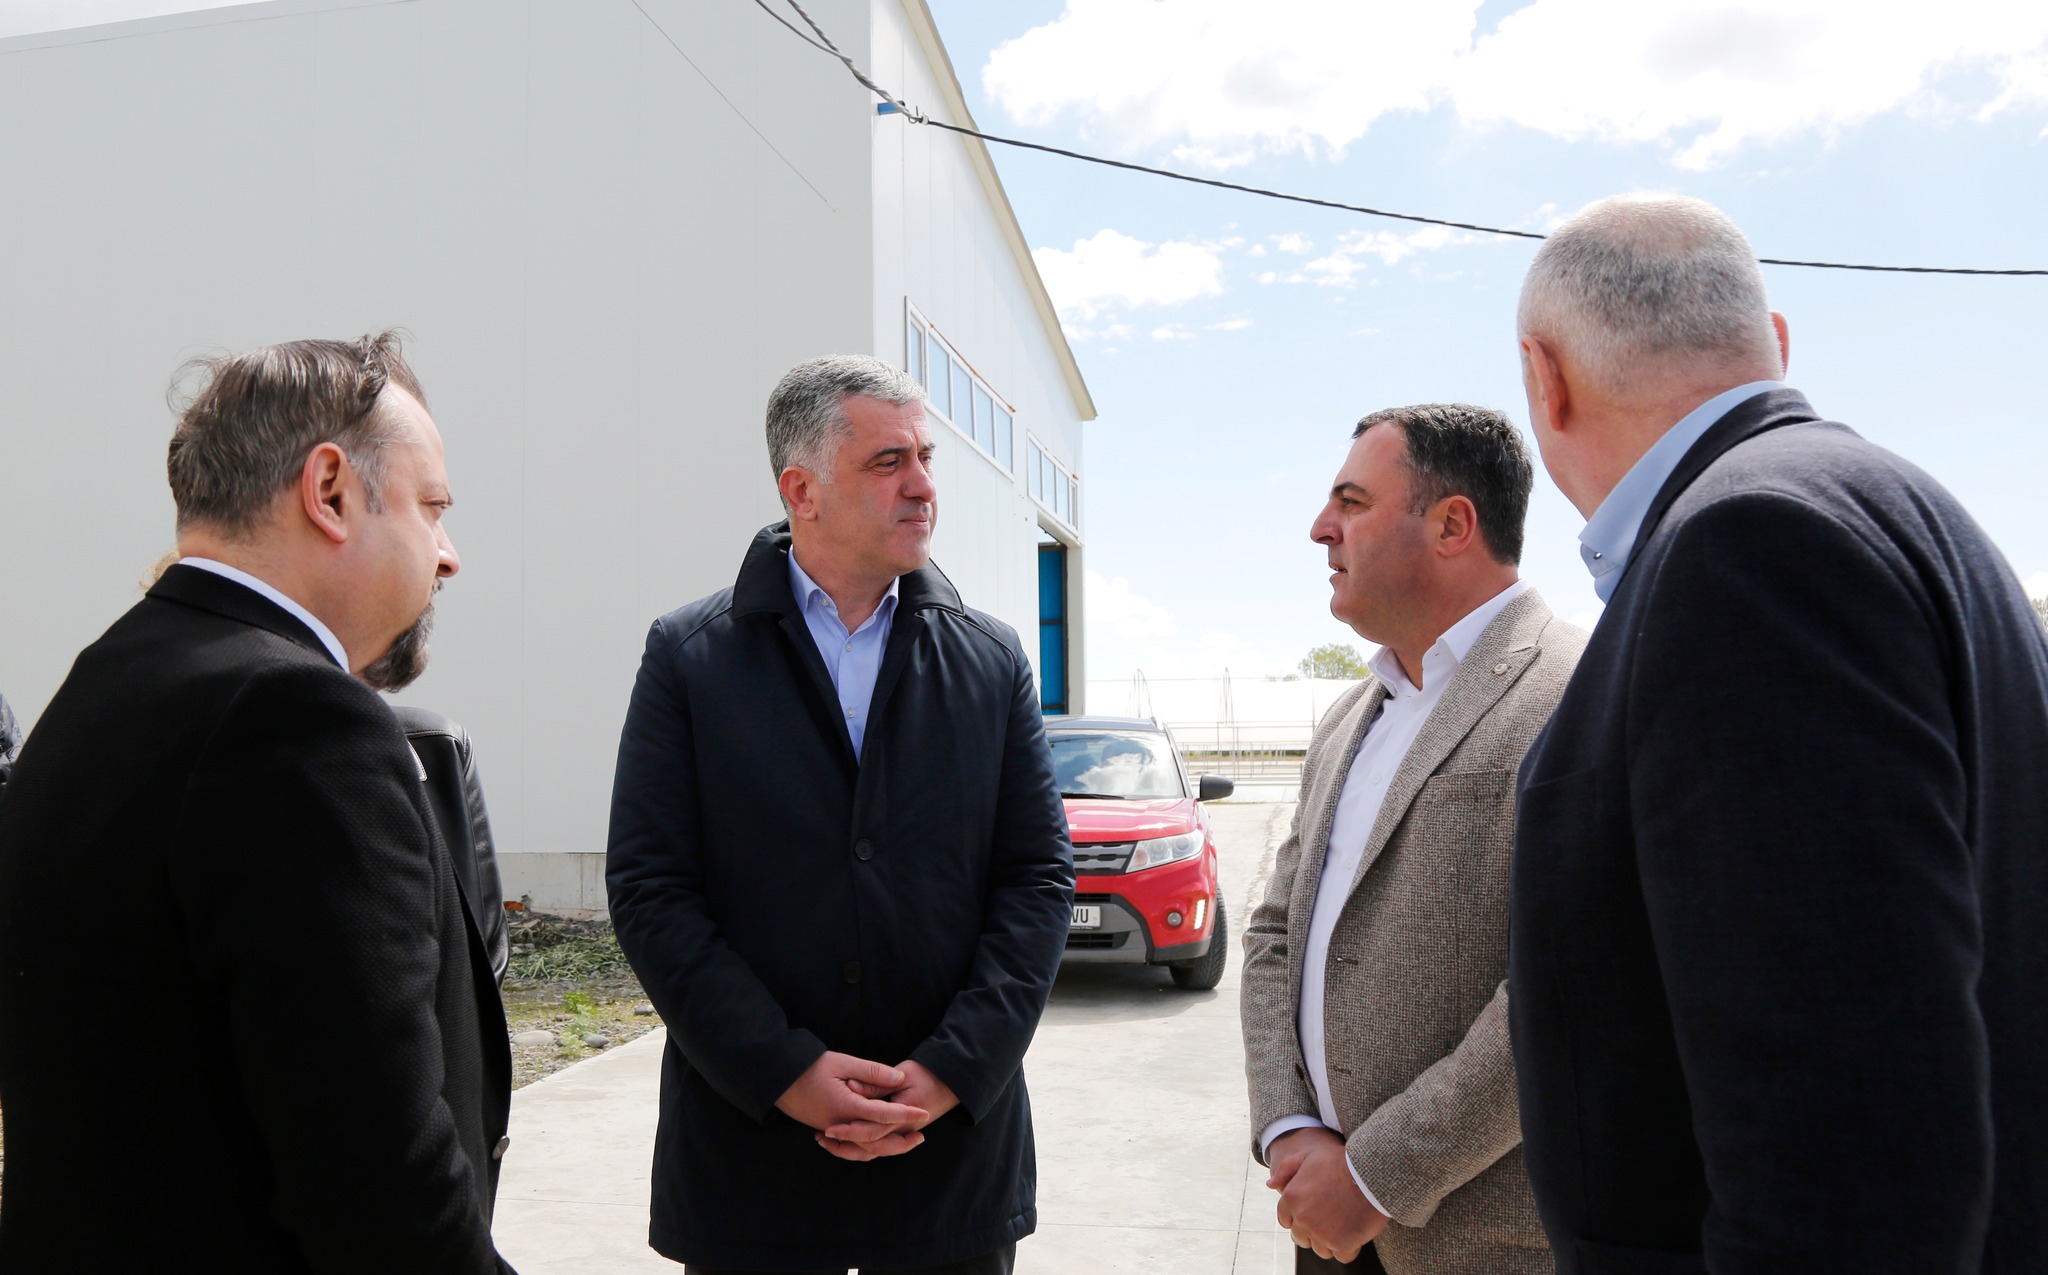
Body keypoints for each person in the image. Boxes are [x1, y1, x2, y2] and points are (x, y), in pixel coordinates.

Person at [1509, 194, 2048, 1273]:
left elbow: (1847, 1165)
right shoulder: (1900, 509)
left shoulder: (1745, 550)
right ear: (1777, 343)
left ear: (1544, 378)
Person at [0, 333, 515, 1273]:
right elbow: (378, 1184)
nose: (448, 556)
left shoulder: (108, 679)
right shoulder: (298, 720)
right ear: (330, 491)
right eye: (431, 507)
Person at [606, 354, 1074, 1274]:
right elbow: (653, 890)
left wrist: (951, 1070)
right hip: (754, 1167)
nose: (923, 486)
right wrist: (785, 1071)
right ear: (801, 490)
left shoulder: (992, 661)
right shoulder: (690, 658)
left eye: (925, 458)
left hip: (948, 1165)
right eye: (888, 462)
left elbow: (1037, 880)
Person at [1241, 405, 1583, 1274]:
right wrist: (1288, 1125)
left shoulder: (1578, 693)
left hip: (1484, 1246)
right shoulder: (1348, 717)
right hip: (1323, 1221)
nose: (1321, 528)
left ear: (1452, 525)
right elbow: (1275, 932)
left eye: (1352, 501)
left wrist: (1376, 1176)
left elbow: (1571, 988)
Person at [394, 706, 511, 984]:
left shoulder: (439, 741)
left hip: (442, 994)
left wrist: (476, 1001)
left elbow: (484, 915)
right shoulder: (435, 738)